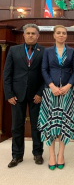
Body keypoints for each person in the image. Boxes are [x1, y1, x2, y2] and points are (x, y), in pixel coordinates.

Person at [3, 24, 45, 168]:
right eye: (28, 33)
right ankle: (17, 155)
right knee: (17, 127)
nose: (31, 35)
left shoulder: (43, 51)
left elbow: (46, 75)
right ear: (24, 35)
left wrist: (40, 93)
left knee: (37, 126)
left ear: (38, 36)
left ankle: (38, 153)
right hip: (16, 95)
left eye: (34, 33)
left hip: (36, 96)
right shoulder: (14, 50)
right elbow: (6, 74)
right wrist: (9, 94)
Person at [38, 25, 74, 170]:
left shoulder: (72, 51)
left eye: (64, 33)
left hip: (67, 93)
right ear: (54, 35)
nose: (61, 35)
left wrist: (68, 86)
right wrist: (51, 86)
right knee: (51, 123)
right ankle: (51, 155)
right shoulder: (47, 51)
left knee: (63, 123)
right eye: (59, 33)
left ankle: (61, 154)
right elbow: (43, 69)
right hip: (51, 92)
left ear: (66, 36)